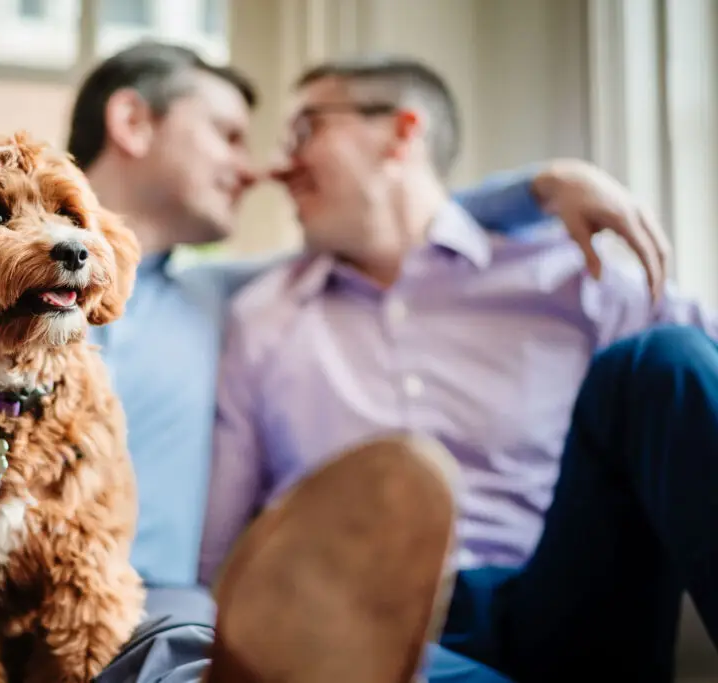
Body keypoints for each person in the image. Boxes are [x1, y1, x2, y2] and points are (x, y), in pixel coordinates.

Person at [0, 42, 668, 683]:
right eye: (233, 136)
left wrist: (536, 188)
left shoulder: (232, 295)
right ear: (133, 122)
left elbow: (400, 227)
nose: (256, 169)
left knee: (193, 651)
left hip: (136, 598)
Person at [198, 54, 718, 682]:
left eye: (307, 129)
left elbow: (697, 388)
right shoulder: (261, 319)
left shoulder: (572, 274)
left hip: (565, 593)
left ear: (401, 131)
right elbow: (218, 555)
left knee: (667, 357)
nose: (280, 166)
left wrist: (550, 185)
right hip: (359, 630)